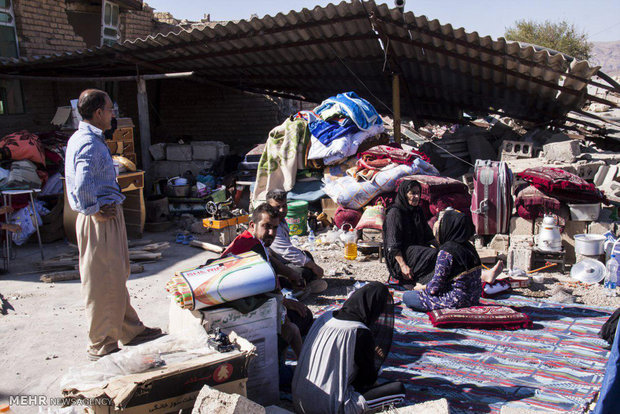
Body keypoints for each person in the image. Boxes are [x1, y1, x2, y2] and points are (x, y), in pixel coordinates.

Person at [65, 89, 162, 360]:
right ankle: (102, 343)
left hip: (104, 215)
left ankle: (129, 329)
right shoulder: (89, 143)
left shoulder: (83, 138)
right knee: (102, 281)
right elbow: (83, 184)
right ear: (98, 113)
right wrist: (93, 210)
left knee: (115, 275)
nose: (113, 114)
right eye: (110, 110)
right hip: (100, 219)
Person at [292, 282, 405, 414]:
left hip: (299, 398)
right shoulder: (359, 331)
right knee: (398, 390)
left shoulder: (325, 317)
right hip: (329, 407)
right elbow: (366, 379)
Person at [221, 202, 313, 358]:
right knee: (304, 317)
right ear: (252, 225)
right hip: (247, 309)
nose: (271, 232)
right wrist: (284, 302)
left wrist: (291, 274)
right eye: (266, 226)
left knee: (295, 278)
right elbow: (269, 294)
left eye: (275, 228)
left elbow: (269, 258)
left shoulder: (249, 239)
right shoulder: (252, 248)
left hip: (252, 298)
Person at [403, 209, 501, 312]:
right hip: (473, 299)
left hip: (456, 301)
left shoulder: (446, 251)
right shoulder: (470, 247)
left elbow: (434, 288)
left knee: (408, 296)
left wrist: (421, 288)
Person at [383, 179, 438, 287]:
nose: (416, 196)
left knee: (440, 255)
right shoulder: (395, 213)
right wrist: (403, 266)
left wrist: (443, 248)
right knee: (432, 255)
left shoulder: (417, 211)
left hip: (416, 251)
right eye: (413, 193)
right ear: (404, 194)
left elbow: (428, 235)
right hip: (400, 257)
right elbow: (393, 246)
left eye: (418, 193)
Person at [266, 189, 324, 286]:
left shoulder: (281, 220)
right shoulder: (269, 225)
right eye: (277, 207)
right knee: (302, 271)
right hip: (273, 265)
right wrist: (313, 266)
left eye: (284, 206)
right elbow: (286, 251)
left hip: (282, 260)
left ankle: (307, 282)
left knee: (306, 255)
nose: (281, 210)